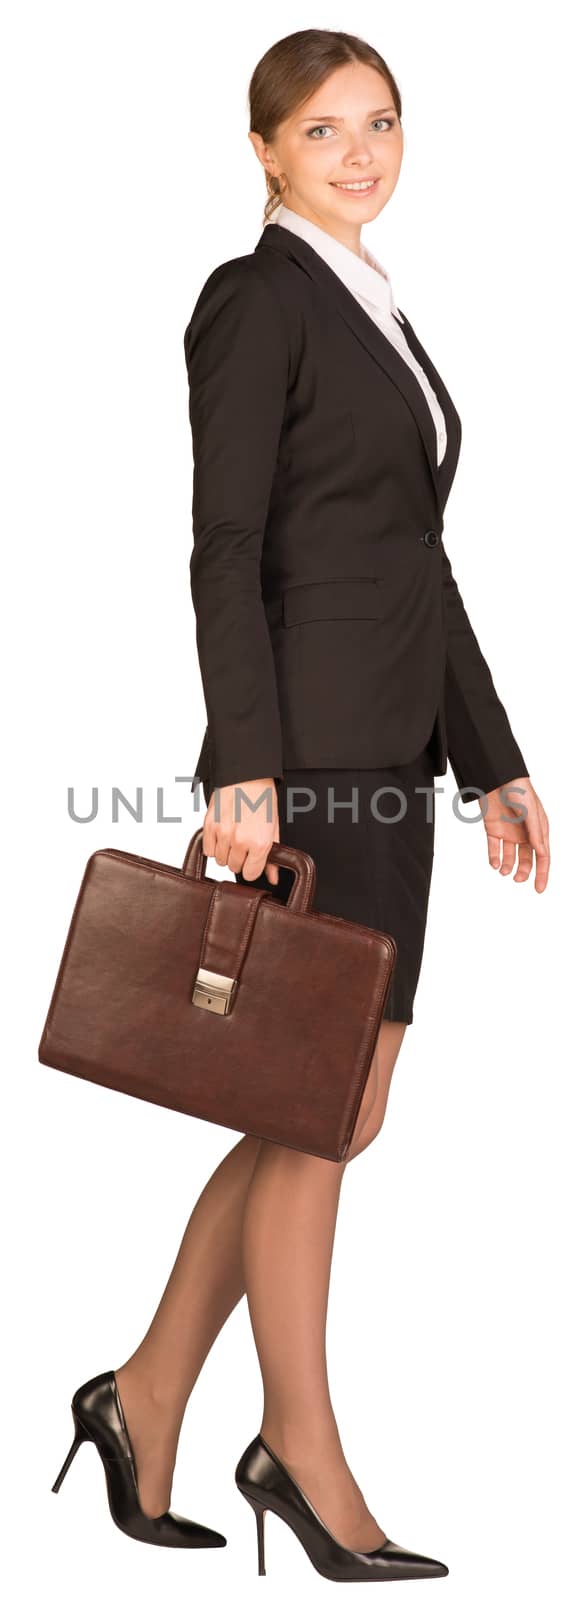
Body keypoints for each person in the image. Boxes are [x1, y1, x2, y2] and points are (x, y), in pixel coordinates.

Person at [54, 27, 550, 1583]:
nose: (359, 151)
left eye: (382, 123)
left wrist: (499, 760)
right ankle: (303, 1452)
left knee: (321, 1106)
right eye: (323, 129)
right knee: (319, 1114)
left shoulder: (380, 307)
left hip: (392, 760)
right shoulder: (255, 299)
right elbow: (223, 544)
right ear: (264, 149)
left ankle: (143, 1396)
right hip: (312, 759)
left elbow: (420, 562)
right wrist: (241, 769)